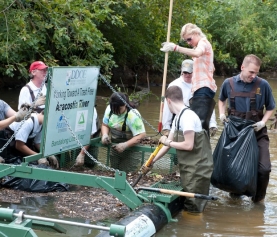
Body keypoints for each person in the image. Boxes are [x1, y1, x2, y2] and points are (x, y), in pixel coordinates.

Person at [143, 86, 213, 213]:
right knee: (189, 204)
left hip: (198, 168)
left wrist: (168, 141)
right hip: (189, 167)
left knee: (194, 208)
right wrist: (152, 161)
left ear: (168, 101)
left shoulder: (187, 118)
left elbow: (188, 145)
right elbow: (166, 145)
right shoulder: (178, 117)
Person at [218, 54, 275, 202]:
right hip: (235, 133)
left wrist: (263, 122)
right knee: (232, 167)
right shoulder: (228, 83)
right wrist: (221, 114)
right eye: (251, 72)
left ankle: (258, 200)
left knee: (264, 169)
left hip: (257, 132)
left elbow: (271, 108)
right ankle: (235, 194)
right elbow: (221, 100)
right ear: (242, 67)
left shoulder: (263, 85)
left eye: (256, 72)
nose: (253, 75)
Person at [160, 23, 217, 131]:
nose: (188, 42)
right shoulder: (202, 46)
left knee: (199, 126)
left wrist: (175, 48)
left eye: (189, 39)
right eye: (186, 40)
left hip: (203, 88)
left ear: (196, 33)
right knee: (198, 124)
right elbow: (211, 67)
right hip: (200, 88)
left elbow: (197, 53)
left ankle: (194, 146)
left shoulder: (203, 43)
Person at [162, 59, 217, 137]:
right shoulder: (174, 85)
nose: (187, 75)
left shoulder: (202, 85)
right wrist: (166, 127)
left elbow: (208, 104)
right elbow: (168, 107)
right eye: (185, 72)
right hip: (180, 119)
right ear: (181, 71)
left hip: (199, 119)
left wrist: (212, 124)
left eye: (190, 72)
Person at [101, 92, 146, 172]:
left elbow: (141, 135)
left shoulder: (132, 115)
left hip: (132, 149)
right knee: (113, 172)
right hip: (115, 147)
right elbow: (105, 125)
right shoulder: (109, 109)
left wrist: (125, 145)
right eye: (114, 109)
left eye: (119, 109)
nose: (116, 111)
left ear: (125, 104)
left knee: (125, 173)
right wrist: (104, 135)